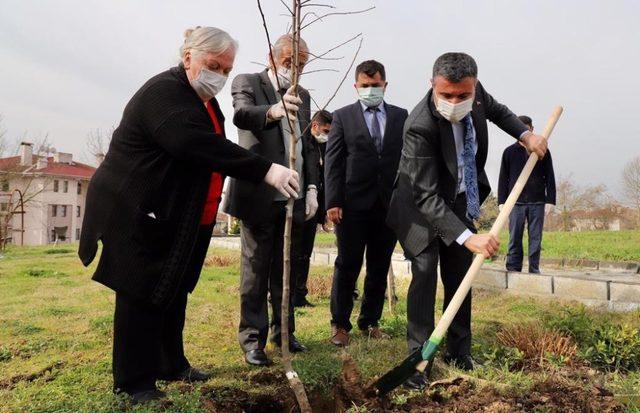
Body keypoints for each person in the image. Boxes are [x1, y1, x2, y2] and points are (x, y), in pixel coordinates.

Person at [78, 27, 300, 403]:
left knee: (173, 288)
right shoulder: (165, 93)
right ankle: (134, 382)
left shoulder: (204, 101)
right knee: (141, 293)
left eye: (226, 69)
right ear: (188, 59)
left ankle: (171, 363)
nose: (220, 76)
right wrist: (266, 170)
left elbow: (218, 145)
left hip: (179, 215)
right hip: (138, 207)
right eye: (213, 65)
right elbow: (194, 144)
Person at [387, 52, 548, 390]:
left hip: (458, 196)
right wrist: (467, 236)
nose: (455, 102)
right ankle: (420, 357)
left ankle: (460, 351)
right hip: (418, 205)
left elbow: (500, 112)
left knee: (461, 274)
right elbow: (426, 197)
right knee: (426, 271)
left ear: (473, 86)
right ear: (432, 85)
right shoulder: (419, 124)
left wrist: (526, 136)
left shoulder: (477, 94)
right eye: (446, 95)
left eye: (463, 95)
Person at [223, 34, 318, 366]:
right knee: (256, 270)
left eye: (302, 65)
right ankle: (253, 339)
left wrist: (312, 188)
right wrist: (275, 111)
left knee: (286, 270)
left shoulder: (303, 96)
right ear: (272, 56)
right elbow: (242, 115)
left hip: (292, 198)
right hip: (259, 194)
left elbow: (308, 147)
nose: (296, 71)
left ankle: (284, 332)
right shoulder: (248, 81)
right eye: (291, 62)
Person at [324, 60, 408, 347]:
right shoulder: (342, 117)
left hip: (388, 205)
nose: (370, 90)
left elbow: (406, 161)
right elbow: (333, 162)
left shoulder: (400, 117)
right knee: (347, 264)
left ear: (385, 85)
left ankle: (370, 321)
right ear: (356, 86)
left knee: (379, 265)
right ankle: (340, 324)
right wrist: (332, 201)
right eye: (365, 86)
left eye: (375, 86)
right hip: (351, 205)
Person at [498, 115, 556, 274]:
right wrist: (502, 201)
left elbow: (550, 175)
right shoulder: (509, 152)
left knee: (535, 238)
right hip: (515, 203)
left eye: (527, 129)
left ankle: (534, 269)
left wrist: (550, 200)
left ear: (532, 129)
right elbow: (503, 177)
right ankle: (513, 268)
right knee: (514, 237)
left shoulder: (543, 151)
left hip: (537, 201)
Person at [293, 109, 333, 308]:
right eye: (325, 130)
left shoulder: (322, 147)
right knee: (294, 251)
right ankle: (286, 293)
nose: (327, 135)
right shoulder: (302, 143)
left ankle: (299, 295)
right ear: (314, 126)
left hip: (314, 206)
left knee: (305, 253)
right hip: (299, 202)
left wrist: (324, 213)